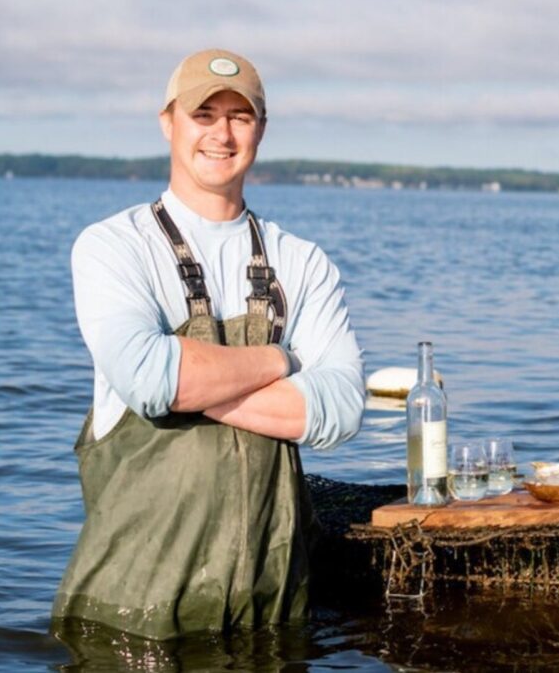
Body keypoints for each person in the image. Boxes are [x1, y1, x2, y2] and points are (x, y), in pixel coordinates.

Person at [52, 49, 366, 639]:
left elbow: (343, 408)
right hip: (131, 618)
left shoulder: (301, 262)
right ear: (169, 122)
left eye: (240, 117)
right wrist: (283, 360)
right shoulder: (112, 247)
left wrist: (194, 382)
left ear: (261, 130)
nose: (221, 133)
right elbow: (150, 378)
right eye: (204, 114)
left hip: (269, 614)